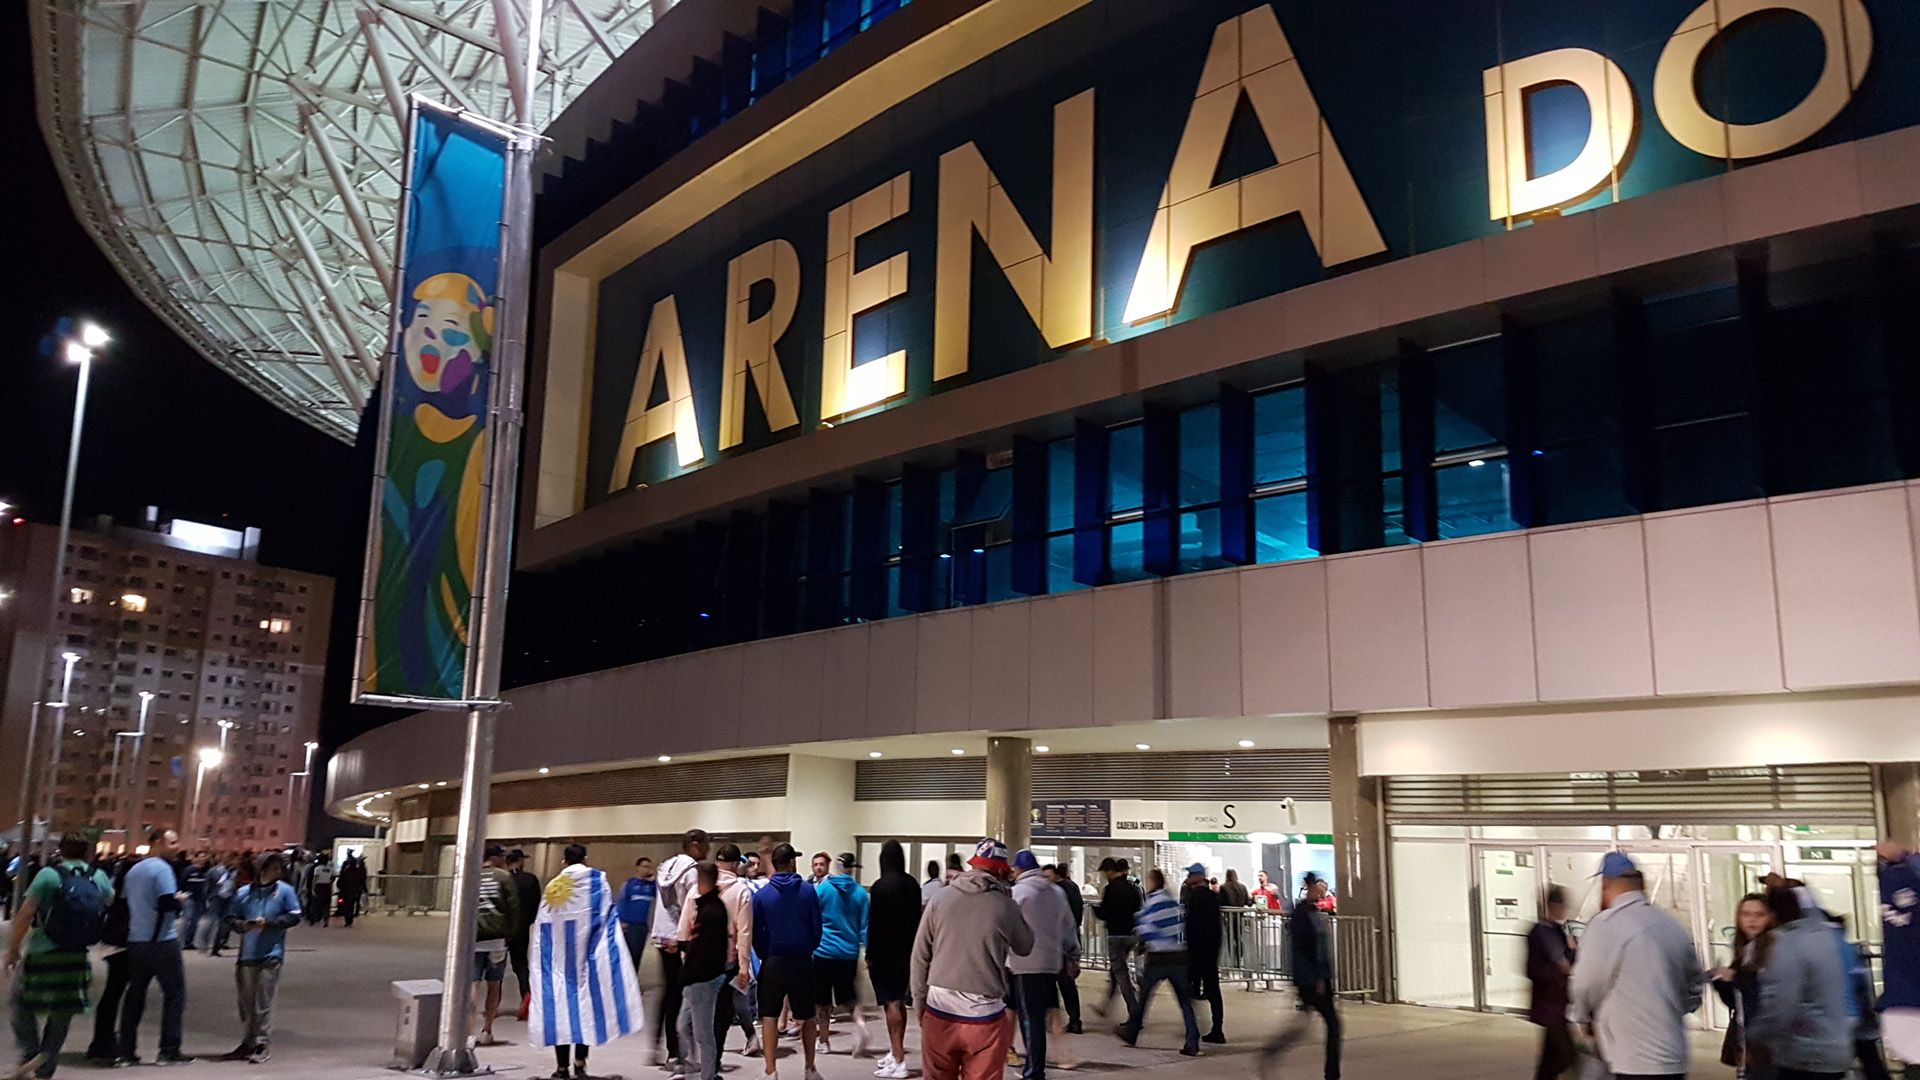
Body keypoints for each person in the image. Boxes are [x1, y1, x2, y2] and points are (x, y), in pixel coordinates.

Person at [1567, 852, 1703, 1080]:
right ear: (1642, 884)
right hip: (1674, 1056)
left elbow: (1586, 984)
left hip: (1632, 1057)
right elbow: (1694, 987)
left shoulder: (1606, 925)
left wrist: (1581, 1016)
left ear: (1606, 884)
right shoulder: (1672, 926)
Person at [911, 839, 1033, 1080]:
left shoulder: (940, 899)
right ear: (1001, 870)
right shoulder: (1006, 906)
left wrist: (920, 1004)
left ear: (973, 865)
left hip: (939, 1008)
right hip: (984, 1016)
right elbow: (1025, 946)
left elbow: (920, 956)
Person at [530, 844, 644, 1080]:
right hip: (588, 957)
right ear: (586, 859)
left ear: (564, 862)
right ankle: (580, 1063)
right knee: (586, 1007)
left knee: (561, 1008)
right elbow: (607, 916)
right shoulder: (597, 881)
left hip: (560, 959)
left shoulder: (554, 887)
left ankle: (561, 1068)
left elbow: (544, 923)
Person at [5, 836, 112, 1079]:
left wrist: (13, 949)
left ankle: (31, 1051)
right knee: (62, 1009)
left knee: (18, 1001)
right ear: (86, 852)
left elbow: (26, 913)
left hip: (43, 951)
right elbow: (108, 900)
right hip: (76, 954)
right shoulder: (98, 876)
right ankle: (47, 1062)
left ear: (60, 851)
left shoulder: (48, 875)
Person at [1746, 885, 1853, 1080]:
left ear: (1773, 914)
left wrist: (1757, 1036)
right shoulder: (1826, 938)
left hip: (1806, 1053)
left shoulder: (1788, 945)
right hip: (1836, 1047)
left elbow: (1781, 1002)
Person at [116, 827, 193, 1067]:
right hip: (162, 941)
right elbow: (166, 902)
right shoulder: (162, 869)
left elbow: (126, 902)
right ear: (158, 842)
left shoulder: (134, 870)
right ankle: (169, 1050)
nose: (177, 847)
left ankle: (126, 1051)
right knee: (175, 994)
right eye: (173, 842)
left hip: (137, 941)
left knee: (134, 996)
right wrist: (179, 900)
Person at [217, 853, 303, 1064]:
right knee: (246, 1002)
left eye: (279, 868)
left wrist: (271, 923)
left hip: (270, 954)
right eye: (273, 867)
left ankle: (261, 1042)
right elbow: (230, 916)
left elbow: (294, 916)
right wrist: (242, 925)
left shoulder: (285, 891)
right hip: (247, 953)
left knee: (263, 1001)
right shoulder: (244, 893)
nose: (277, 872)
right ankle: (248, 1041)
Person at [749, 843, 823, 1080]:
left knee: (769, 1016)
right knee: (807, 1016)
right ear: (792, 862)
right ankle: (809, 1068)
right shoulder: (808, 891)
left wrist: (765, 952)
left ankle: (771, 1070)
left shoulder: (761, 895)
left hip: (772, 960)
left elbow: (756, 933)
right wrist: (808, 946)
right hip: (801, 960)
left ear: (774, 864)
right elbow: (816, 928)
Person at [1262, 871, 1341, 1079]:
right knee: (1331, 1024)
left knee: (1306, 1024)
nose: (1320, 890)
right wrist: (1316, 978)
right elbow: (1306, 949)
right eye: (1316, 886)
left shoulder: (1311, 912)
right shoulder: (1303, 914)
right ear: (1308, 886)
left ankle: (1273, 1052)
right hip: (1312, 980)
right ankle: (1331, 1073)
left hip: (1316, 978)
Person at [1008, 850, 1079, 1080]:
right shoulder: (1057, 892)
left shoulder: (1017, 893)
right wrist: (1073, 956)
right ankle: (1037, 1065)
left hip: (1024, 963)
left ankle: (1034, 1070)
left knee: (1031, 1019)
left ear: (1018, 869)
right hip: (1052, 964)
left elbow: (1006, 926)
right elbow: (1069, 927)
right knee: (1046, 1014)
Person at [1120, 868, 1200, 1056]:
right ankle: (1193, 1040)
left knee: (1145, 996)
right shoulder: (1174, 903)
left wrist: (1139, 938)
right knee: (1185, 1002)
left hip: (1158, 957)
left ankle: (1132, 1032)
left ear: (1154, 882)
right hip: (1179, 957)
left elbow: (1144, 929)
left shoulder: (1152, 903)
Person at [651, 830, 710, 1072]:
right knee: (684, 997)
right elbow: (691, 906)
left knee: (670, 993)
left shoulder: (667, 866)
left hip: (662, 934)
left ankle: (666, 1048)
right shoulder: (692, 871)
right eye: (706, 844)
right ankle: (677, 1054)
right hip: (680, 937)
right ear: (695, 845)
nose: (708, 849)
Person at [867, 841, 921, 1080]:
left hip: (885, 952)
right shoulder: (912, 884)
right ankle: (894, 1049)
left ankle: (899, 1060)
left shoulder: (880, 886)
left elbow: (876, 924)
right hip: (908, 951)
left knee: (890, 1003)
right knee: (899, 1001)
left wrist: (870, 954)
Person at [677, 862, 734, 1080]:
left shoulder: (711, 911)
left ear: (702, 881)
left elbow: (705, 950)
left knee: (703, 1034)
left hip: (702, 980)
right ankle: (695, 1070)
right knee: (683, 1026)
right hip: (697, 979)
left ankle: (707, 1076)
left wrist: (689, 972)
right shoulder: (710, 907)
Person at [811, 852, 871, 1056]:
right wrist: (867, 951)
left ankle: (824, 1041)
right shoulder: (861, 894)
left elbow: (814, 917)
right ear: (853, 869)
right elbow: (864, 927)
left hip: (824, 951)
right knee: (848, 996)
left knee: (822, 999)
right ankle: (860, 1022)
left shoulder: (824, 889)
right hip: (849, 952)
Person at [1712, 893, 1773, 1080]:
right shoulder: (1746, 949)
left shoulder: (1773, 949)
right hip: (1745, 1039)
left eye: (1759, 914)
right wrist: (1722, 983)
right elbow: (1737, 1001)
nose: (1752, 920)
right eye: (1746, 914)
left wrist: (1737, 978)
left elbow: (1761, 996)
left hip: (1766, 1042)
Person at [704, 844, 757, 1058]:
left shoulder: (702, 885)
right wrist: (744, 967)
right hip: (730, 958)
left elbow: (687, 923)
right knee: (730, 1005)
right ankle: (714, 1061)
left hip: (704, 958)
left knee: (701, 1010)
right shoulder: (741, 890)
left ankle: (700, 1059)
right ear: (736, 864)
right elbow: (744, 933)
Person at [1874, 841, 1920, 1067]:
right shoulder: (1901, 876)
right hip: (1905, 1000)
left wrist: (1904, 857)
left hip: (1900, 998)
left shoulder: (1895, 878)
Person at [83, 858, 133, 1064]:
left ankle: (101, 1041)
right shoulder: (128, 895)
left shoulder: (118, 890)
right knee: (114, 994)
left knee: (111, 994)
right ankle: (104, 1042)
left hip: (111, 942)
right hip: (121, 944)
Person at [1526, 885, 1578, 1080]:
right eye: (1560, 905)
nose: (1563, 910)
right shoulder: (1537, 932)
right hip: (1548, 1004)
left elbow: (1569, 959)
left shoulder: (1559, 931)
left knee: (1550, 1056)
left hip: (1559, 1003)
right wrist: (1557, 971)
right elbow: (1532, 969)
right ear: (1551, 905)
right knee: (1567, 1055)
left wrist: (1573, 951)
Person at [473, 844, 522, 1048]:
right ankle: (487, 1029)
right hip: (496, 940)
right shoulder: (503, 877)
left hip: (472, 940)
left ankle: (467, 1031)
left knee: (471, 985)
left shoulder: (472, 876)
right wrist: (511, 933)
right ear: (494, 858)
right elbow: (514, 906)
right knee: (494, 985)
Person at [1180, 864, 1227, 1044]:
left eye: (1191, 874)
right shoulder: (1212, 896)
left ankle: (1192, 1031)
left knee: (1186, 990)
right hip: (1210, 949)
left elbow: (1191, 925)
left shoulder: (1196, 897)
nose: (1188, 877)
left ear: (1197, 877)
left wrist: (1189, 948)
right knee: (1213, 990)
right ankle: (1217, 1028)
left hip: (1198, 950)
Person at [1091, 858, 1141, 1022]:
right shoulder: (1133, 888)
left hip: (1116, 936)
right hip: (1131, 935)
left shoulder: (1110, 889)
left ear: (1110, 871)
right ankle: (1105, 1006)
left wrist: (1095, 909)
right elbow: (1138, 909)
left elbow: (1105, 913)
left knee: (1122, 975)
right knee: (1116, 971)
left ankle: (1134, 1012)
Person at [1042, 865, 1085, 1034]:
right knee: (1067, 985)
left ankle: (1050, 1021)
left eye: (1047, 876)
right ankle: (1075, 1020)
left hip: (1058, 946)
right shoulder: (1072, 887)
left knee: (1055, 985)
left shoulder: (1055, 893)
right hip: (1066, 943)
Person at [505, 850, 542, 1022]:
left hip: (501, 929)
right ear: (520, 862)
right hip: (521, 928)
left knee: (492, 969)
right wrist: (528, 921)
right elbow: (537, 904)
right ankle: (526, 994)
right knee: (521, 964)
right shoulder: (531, 879)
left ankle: (492, 1006)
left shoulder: (504, 879)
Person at [207, 855, 239, 957]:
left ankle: (217, 946)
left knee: (224, 924)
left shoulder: (235, 872)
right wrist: (208, 898)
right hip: (216, 898)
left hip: (229, 898)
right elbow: (207, 885)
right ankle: (210, 944)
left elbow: (236, 885)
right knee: (214, 923)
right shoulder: (214, 871)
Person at [177, 857, 209, 950]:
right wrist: (182, 893)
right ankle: (183, 941)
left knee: (194, 920)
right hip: (189, 898)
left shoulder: (204, 872)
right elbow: (182, 882)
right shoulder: (189, 870)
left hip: (199, 899)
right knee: (188, 919)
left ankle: (189, 941)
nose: (202, 861)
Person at [336, 853, 368, 929]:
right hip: (354, 891)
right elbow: (361, 880)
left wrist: (340, 888)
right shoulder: (358, 871)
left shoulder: (346, 871)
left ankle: (347, 919)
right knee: (352, 905)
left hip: (345, 891)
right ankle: (350, 919)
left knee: (345, 905)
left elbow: (341, 881)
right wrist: (362, 889)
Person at [305, 856, 333, 928]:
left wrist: (313, 889)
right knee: (326, 905)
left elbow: (315, 879)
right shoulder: (330, 869)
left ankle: (312, 920)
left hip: (319, 886)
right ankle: (326, 921)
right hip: (327, 887)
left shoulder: (317, 869)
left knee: (315, 904)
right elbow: (333, 877)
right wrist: (330, 882)